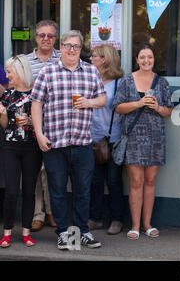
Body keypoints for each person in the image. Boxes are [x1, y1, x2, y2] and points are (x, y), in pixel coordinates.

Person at [31, 30, 107, 250]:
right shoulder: (47, 72)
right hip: (55, 143)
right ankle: (63, 233)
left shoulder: (91, 72)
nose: (72, 50)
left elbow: (102, 99)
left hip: (83, 142)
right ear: (61, 47)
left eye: (76, 46)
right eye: (67, 46)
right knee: (57, 190)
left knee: (83, 190)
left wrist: (89, 103)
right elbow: (36, 104)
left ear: (81, 49)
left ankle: (83, 231)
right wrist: (39, 134)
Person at [113, 43, 173, 240]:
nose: (147, 60)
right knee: (136, 182)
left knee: (150, 181)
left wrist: (157, 107)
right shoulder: (127, 81)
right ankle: (135, 225)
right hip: (133, 138)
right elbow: (118, 107)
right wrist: (139, 103)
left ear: (154, 59)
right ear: (137, 60)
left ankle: (147, 224)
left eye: (150, 57)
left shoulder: (162, 83)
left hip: (156, 137)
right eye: (142, 57)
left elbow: (168, 111)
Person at [0, 55, 42, 248]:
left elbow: (42, 123)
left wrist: (31, 122)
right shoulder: (7, 95)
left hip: (31, 147)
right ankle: (7, 232)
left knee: (28, 191)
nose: (7, 75)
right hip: (11, 147)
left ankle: (26, 232)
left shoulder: (36, 95)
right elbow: (5, 125)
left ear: (21, 72)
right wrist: (1, 114)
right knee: (10, 191)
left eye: (10, 72)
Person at [26, 19, 61, 232]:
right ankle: (38, 213)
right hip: (32, 123)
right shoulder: (26, 62)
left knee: (53, 171)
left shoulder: (63, 59)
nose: (46, 39)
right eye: (42, 35)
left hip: (57, 123)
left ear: (55, 39)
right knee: (36, 171)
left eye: (50, 35)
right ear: (36, 37)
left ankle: (53, 212)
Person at [88, 45, 125, 235]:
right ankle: (95, 218)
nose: (90, 59)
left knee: (113, 180)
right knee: (94, 181)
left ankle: (117, 219)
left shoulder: (119, 83)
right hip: (91, 137)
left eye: (93, 56)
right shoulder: (89, 79)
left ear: (104, 60)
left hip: (113, 138)